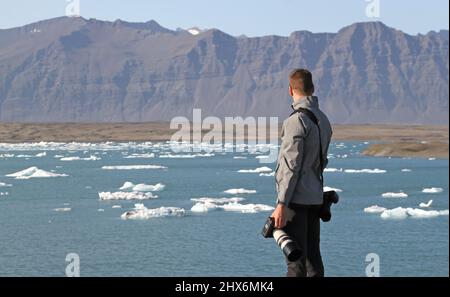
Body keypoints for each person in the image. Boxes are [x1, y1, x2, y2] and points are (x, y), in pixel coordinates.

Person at [272, 69, 332, 277]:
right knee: (313, 261)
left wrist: (282, 204)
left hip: (295, 201)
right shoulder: (323, 120)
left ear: (290, 90)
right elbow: (320, 162)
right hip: (315, 198)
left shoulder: (295, 121)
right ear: (312, 89)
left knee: (295, 263)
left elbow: (291, 166)